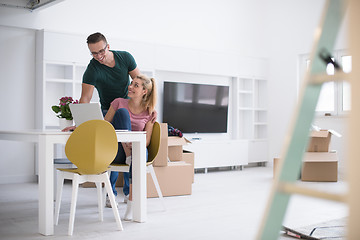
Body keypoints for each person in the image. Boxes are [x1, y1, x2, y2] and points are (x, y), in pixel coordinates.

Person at [80, 32, 140, 202]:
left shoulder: (125, 58)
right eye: (93, 53)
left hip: (129, 109)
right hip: (109, 111)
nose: (98, 56)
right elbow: (85, 98)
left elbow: (140, 82)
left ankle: (129, 191)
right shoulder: (92, 69)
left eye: (101, 51)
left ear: (108, 46)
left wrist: (144, 108)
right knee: (115, 149)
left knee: (128, 147)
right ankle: (111, 192)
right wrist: (81, 123)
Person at [103, 74, 157, 219]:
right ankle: (129, 156)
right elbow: (104, 126)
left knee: (139, 154)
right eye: (131, 83)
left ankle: (132, 203)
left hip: (137, 150)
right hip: (119, 151)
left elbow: (146, 140)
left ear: (144, 91)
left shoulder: (149, 112)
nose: (130, 87)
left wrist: (134, 146)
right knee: (122, 113)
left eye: (136, 85)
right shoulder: (118, 103)